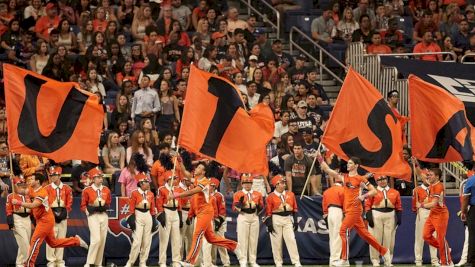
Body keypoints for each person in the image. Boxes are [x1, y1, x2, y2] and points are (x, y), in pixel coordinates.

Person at [318, 154, 391, 266]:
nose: (348, 164)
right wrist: (320, 158)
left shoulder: (360, 179)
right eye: (348, 163)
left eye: (350, 163)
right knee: (365, 235)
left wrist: (363, 196)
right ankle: (384, 251)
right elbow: (328, 170)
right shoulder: (345, 177)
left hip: (355, 210)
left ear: (356, 165)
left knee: (342, 231)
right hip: (348, 211)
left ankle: (344, 259)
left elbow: (374, 191)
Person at [167, 163, 244, 267]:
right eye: (197, 167)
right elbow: (186, 174)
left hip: (206, 212)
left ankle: (190, 261)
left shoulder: (205, 181)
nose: (196, 168)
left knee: (197, 235)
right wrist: (180, 163)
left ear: (203, 172)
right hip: (201, 212)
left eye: (199, 167)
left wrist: (177, 195)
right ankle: (235, 246)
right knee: (211, 238)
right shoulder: (197, 180)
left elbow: (193, 191)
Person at [12, 172, 87, 267]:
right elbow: (19, 191)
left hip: (45, 220)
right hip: (42, 219)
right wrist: (14, 181)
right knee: (53, 243)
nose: (29, 180)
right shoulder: (32, 189)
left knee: (34, 242)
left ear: (37, 181)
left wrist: (18, 202)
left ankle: (29, 264)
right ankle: (76, 241)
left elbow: (32, 205)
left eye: (31, 179)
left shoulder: (42, 192)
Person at [415, 166, 453, 266]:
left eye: (430, 175)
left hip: (441, 214)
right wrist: (415, 164)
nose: (428, 177)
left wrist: (421, 205)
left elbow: (433, 204)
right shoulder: (432, 183)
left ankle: (447, 262)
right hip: (432, 214)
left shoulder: (439, 186)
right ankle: (445, 249)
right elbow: (420, 175)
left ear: (437, 177)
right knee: (426, 236)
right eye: (429, 175)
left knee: (441, 238)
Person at [264, 175, 301, 267]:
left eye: (284, 183)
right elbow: (268, 212)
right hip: (276, 218)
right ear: (276, 185)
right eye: (282, 183)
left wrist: (295, 221)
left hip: (288, 218)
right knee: (276, 242)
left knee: (291, 240)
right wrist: (269, 224)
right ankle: (278, 262)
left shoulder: (290, 194)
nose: (284, 185)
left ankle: (296, 261)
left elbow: (295, 209)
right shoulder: (270, 197)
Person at [365, 175, 402, 267]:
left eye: (384, 179)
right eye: (379, 179)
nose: (382, 181)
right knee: (375, 239)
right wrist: (369, 216)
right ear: (376, 181)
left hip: (390, 215)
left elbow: (399, 206)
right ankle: (375, 260)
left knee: (389, 240)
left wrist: (399, 216)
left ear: (387, 180)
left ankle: (388, 261)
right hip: (376, 214)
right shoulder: (373, 191)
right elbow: (367, 205)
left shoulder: (395, 192)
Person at [81, 168, 112, 267]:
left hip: (103, 215)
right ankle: (89, 262)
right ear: (93, 179)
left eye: (101, 177)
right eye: (98, 177)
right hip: (93, 216)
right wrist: (88, 211)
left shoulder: (106, 189)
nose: (100, 179)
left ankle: (98, 263)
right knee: (96, 239)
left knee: (102, 240)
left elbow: (108, 202)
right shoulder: (87, 190)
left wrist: (105, 208)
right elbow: (83, 205)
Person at [124, 174, 157, 267]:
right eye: (146, 182)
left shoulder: (151, 193)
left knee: (147, 241)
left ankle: (143, 262)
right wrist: (132, 218)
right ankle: (130, 262)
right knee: (137, 241)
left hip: (148, 215)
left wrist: (154, 219)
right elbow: (131, 208)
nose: (148, 183)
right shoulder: (134, 193)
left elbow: (153, 208)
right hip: (138, 214)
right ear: (141, 183)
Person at [233, 175, 264, 267]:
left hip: (254, 216)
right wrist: (240, 204)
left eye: (249, 183)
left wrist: (258, 207)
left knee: (253, 239)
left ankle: (253, 260)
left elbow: (261, 206)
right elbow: (234, 208)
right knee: (242, 239)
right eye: (245, 183)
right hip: (243, 216)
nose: (247, 185)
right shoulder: (238, 194)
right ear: (242, 184)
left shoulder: (258, 194)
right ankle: (243, 260)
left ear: (252, 183)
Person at [45, 166, 73, 267]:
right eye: (51, 175)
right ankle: (51, 262)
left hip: (63, 214)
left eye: (54, 175)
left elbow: (69, 202)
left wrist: (65, 212)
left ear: (59, 175)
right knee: (51, 239)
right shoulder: (46, 188)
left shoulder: (67, 188)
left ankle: (60, 261)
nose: (52, 176)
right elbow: (45, 203)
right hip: (50, 216)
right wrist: (51, 214)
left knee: (61, 239)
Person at [412, 169, 439, 266]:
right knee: (420, 237)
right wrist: (418, 211)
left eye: (429, 176)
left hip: (434, 212)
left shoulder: (436, 188)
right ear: (422, 178)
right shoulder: (417, 189)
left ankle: (434, 260)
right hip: (422, 213)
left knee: (434, 236)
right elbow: (414, 205)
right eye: (425, 176)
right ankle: (418, 260)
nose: (427, 178)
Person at [156, 173, 182, 267]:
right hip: (166, 212)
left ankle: (176, 261)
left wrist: (180, 214)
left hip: (175, 212)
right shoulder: (162, 189)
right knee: (164, 239)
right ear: (168, 180)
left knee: (176, 238)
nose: (176, 180)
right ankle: (162, 261)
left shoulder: (178, 189)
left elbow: (179, 203)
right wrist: (161, 214)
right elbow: (158, 203)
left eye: (176, 178)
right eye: (174, 179)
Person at [6, 176, 32, 267]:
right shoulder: (11, 196)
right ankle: (27, 263)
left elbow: (32, 209)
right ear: (14, 185)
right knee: (25, 244)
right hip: (17, 219)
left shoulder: (29, 195)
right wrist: (10, 222)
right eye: (19, 184)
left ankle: (19, 264)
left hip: (28, 219)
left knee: (24, 243)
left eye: (23, 183)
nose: (22, 185)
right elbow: (8, 211)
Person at [322, 174, 344, 266]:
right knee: (338, 237)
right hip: (338, 211)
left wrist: (326, 216)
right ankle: (335, 260)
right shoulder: (343, 190)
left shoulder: (327, 191)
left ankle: (332, 260)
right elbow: (345, 203)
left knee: (332, 237)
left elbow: (324, 205)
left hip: (329, 213)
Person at [461, 171, 475, 267]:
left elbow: (465, 198)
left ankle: (471, 261)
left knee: (473, 236)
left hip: (474, 210)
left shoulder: (471, 180)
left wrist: (463, 211)